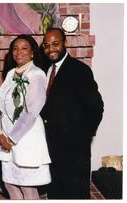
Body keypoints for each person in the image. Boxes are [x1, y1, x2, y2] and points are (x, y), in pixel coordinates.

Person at [40, 28, 104, 199]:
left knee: (75, 195)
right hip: (52, 149)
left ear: (65, 43)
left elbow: (96, 107)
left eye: (55, 44)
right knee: (56, 194)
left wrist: (83, 137)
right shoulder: (46, 70)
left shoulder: (79, 70)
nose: (51, 49)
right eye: (46, 45)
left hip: (74, 152)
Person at [0, 35, 51, 199]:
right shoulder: (11, 73)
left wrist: (11, 138)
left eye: (24, 48)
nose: (19, 52)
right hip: (6, 138)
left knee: (28, 188)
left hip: (26, 137)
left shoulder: (37, 74)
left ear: (32, 52)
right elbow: (2, 107)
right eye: (15, 48)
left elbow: (32, 111)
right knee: (10, 184)